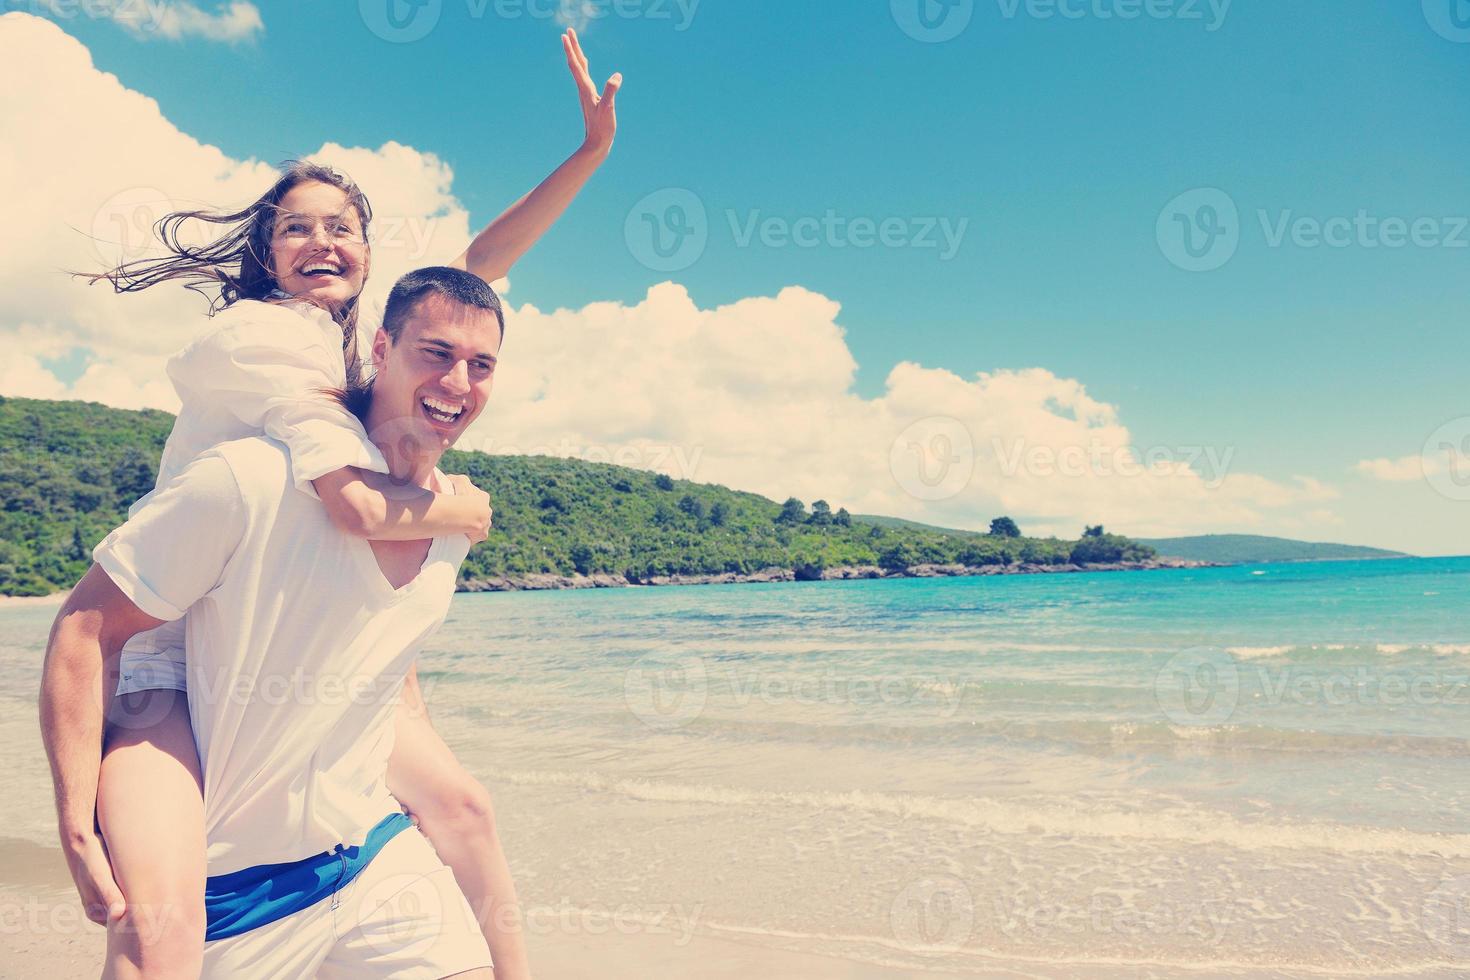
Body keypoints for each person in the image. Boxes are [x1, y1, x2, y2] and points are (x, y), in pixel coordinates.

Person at [62, 28, 620, 978]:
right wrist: (463, 511)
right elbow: (358, 509)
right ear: (268, 254)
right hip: (169, 659)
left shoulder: (364, 356)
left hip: (290, 636)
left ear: (367, 253)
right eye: (296, 227)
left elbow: (480, 267)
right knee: (160, 926)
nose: (321, 240)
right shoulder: (266, 339)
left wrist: (589, 155)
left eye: (341, 227)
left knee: (466, 810)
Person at [43, 267, 510, 978]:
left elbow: (387, 656)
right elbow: (86, 627)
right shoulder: (247, 482)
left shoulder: (453, 516)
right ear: (380, 349)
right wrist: (78, 823)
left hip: (372, 858)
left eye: (480, 366)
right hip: (234, 890)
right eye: (436, 353)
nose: (457, 382)